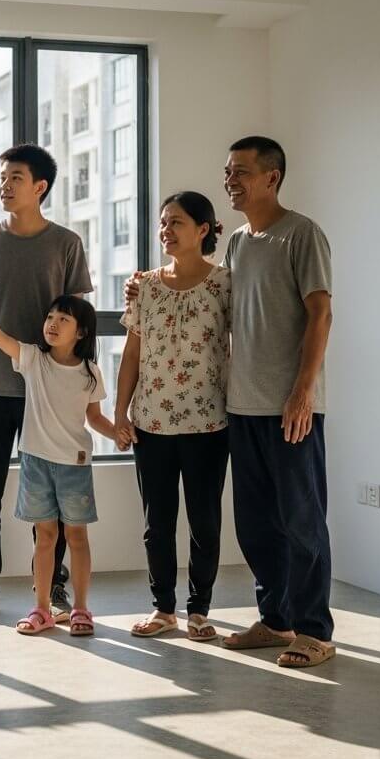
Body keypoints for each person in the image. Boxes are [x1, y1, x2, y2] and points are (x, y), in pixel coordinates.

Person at [124, 137, 336, 669]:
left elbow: (321, 314)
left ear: (273, 177)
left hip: (291, 406)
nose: (230, 180)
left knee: (302, 520)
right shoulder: (239, 242)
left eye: (240, 171)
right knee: (257, 523)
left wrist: (303, 390)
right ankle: (275, 619)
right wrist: (140, 287)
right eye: (226, 171)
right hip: (241, 407)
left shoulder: (301, 234)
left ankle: (314, 631)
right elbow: (204, 296)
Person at [0, 145, 92, 623]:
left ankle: (51, 588)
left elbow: (76, 320)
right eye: (2, 177)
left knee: (48, 499)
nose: (4, 185)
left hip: (47, 393)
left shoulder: (66, 244)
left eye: (15, 177)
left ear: (40, 187)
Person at [0, 296, 117, 636]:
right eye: (49, 316)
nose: (52, 323)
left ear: (81, 332)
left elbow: (94, 418)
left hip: (75, 466)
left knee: (77, 537)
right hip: (36, 465)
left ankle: (81, 609)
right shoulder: (34, 359)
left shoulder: (90, 373)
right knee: (45, 538)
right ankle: (41, 610)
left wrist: (119, 433)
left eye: (63, 319)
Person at [115, 192, 231, 642]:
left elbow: (240, 347)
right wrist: (121, 409)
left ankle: (199, 611)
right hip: (152, 422)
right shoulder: (144, 285)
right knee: (156, 523)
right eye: (163, 223)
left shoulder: (226, 284)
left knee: (205, 521)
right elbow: (133, 351)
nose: (166, 230)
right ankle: (163, 608)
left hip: (209, 423)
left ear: (203, 230)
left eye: (176, 222)